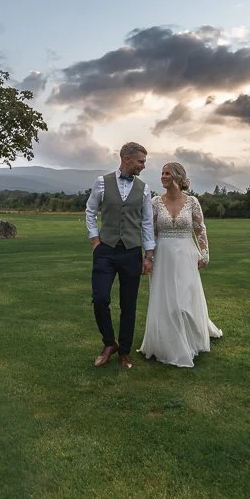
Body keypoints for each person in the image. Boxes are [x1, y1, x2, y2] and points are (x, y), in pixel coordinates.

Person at [138, 162, 222, 368]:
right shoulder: (156, 202)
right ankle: (168, 343)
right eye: (162, 173)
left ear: (177, 176)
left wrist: (205, 253)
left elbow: (200, 229)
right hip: (163, 254)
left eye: (167, 173)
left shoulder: (192, 202)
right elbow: (151, 232)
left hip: (186, 253)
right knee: (166, 299)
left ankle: (191, 336)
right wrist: (148, 256)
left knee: (185, 298)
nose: (163, 177)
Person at [85, 142, 155, 370]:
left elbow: (146, 222)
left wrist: (149, 254)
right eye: (141, 161)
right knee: (100, 298)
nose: (143, 166)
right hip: (105, 250)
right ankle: (109, 343)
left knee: (129, 304)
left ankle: (124, 352)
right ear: (126, 158)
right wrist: (95, 240)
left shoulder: (144, 188)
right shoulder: (101, 182)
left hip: (132, 251)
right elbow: (90, 210)